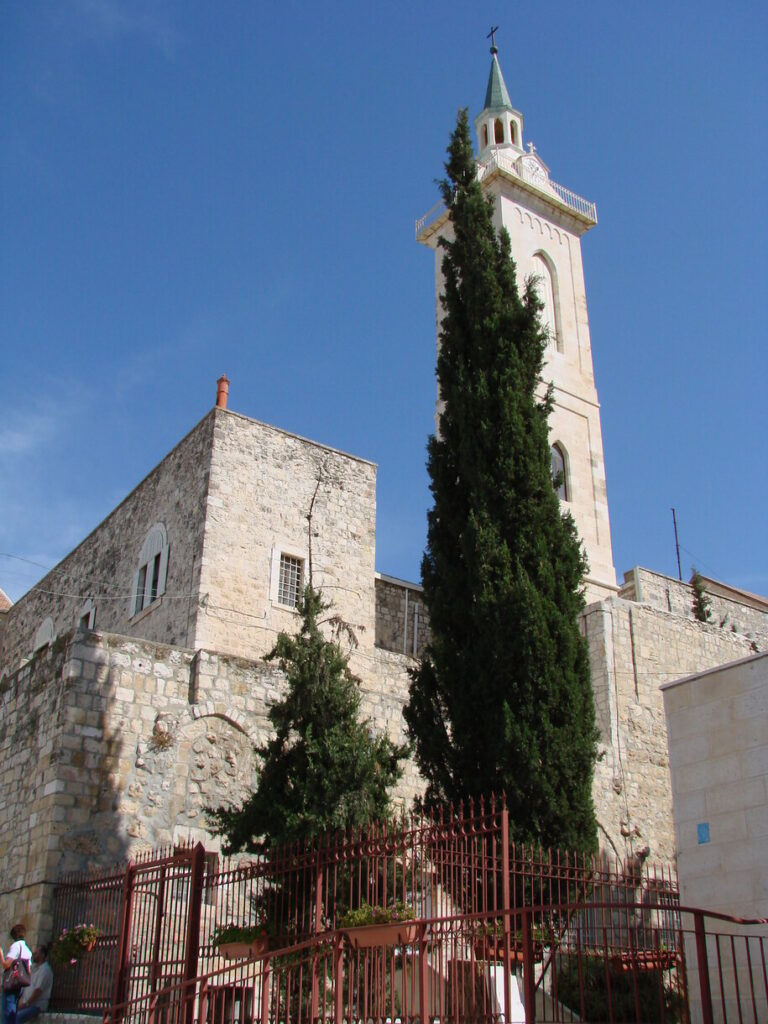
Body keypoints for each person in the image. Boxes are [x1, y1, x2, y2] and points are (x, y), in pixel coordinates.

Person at [0, 924, 32, 1024]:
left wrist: (1, 954)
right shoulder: (27, 950)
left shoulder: (16, 946)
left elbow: (6, 965)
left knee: (7, 1016)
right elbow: (29, 971)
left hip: (11, 984)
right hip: (20, 985)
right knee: (12, 1014)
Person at [16, 948, 52, 1023]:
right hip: (27, 1005)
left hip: (37, 1005)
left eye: (36, 953)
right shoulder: (33, 968)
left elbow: (38, 991)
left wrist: (26, 1004)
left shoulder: (45, 970)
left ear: (42, 955)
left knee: (17, 1017)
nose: (33, 955)